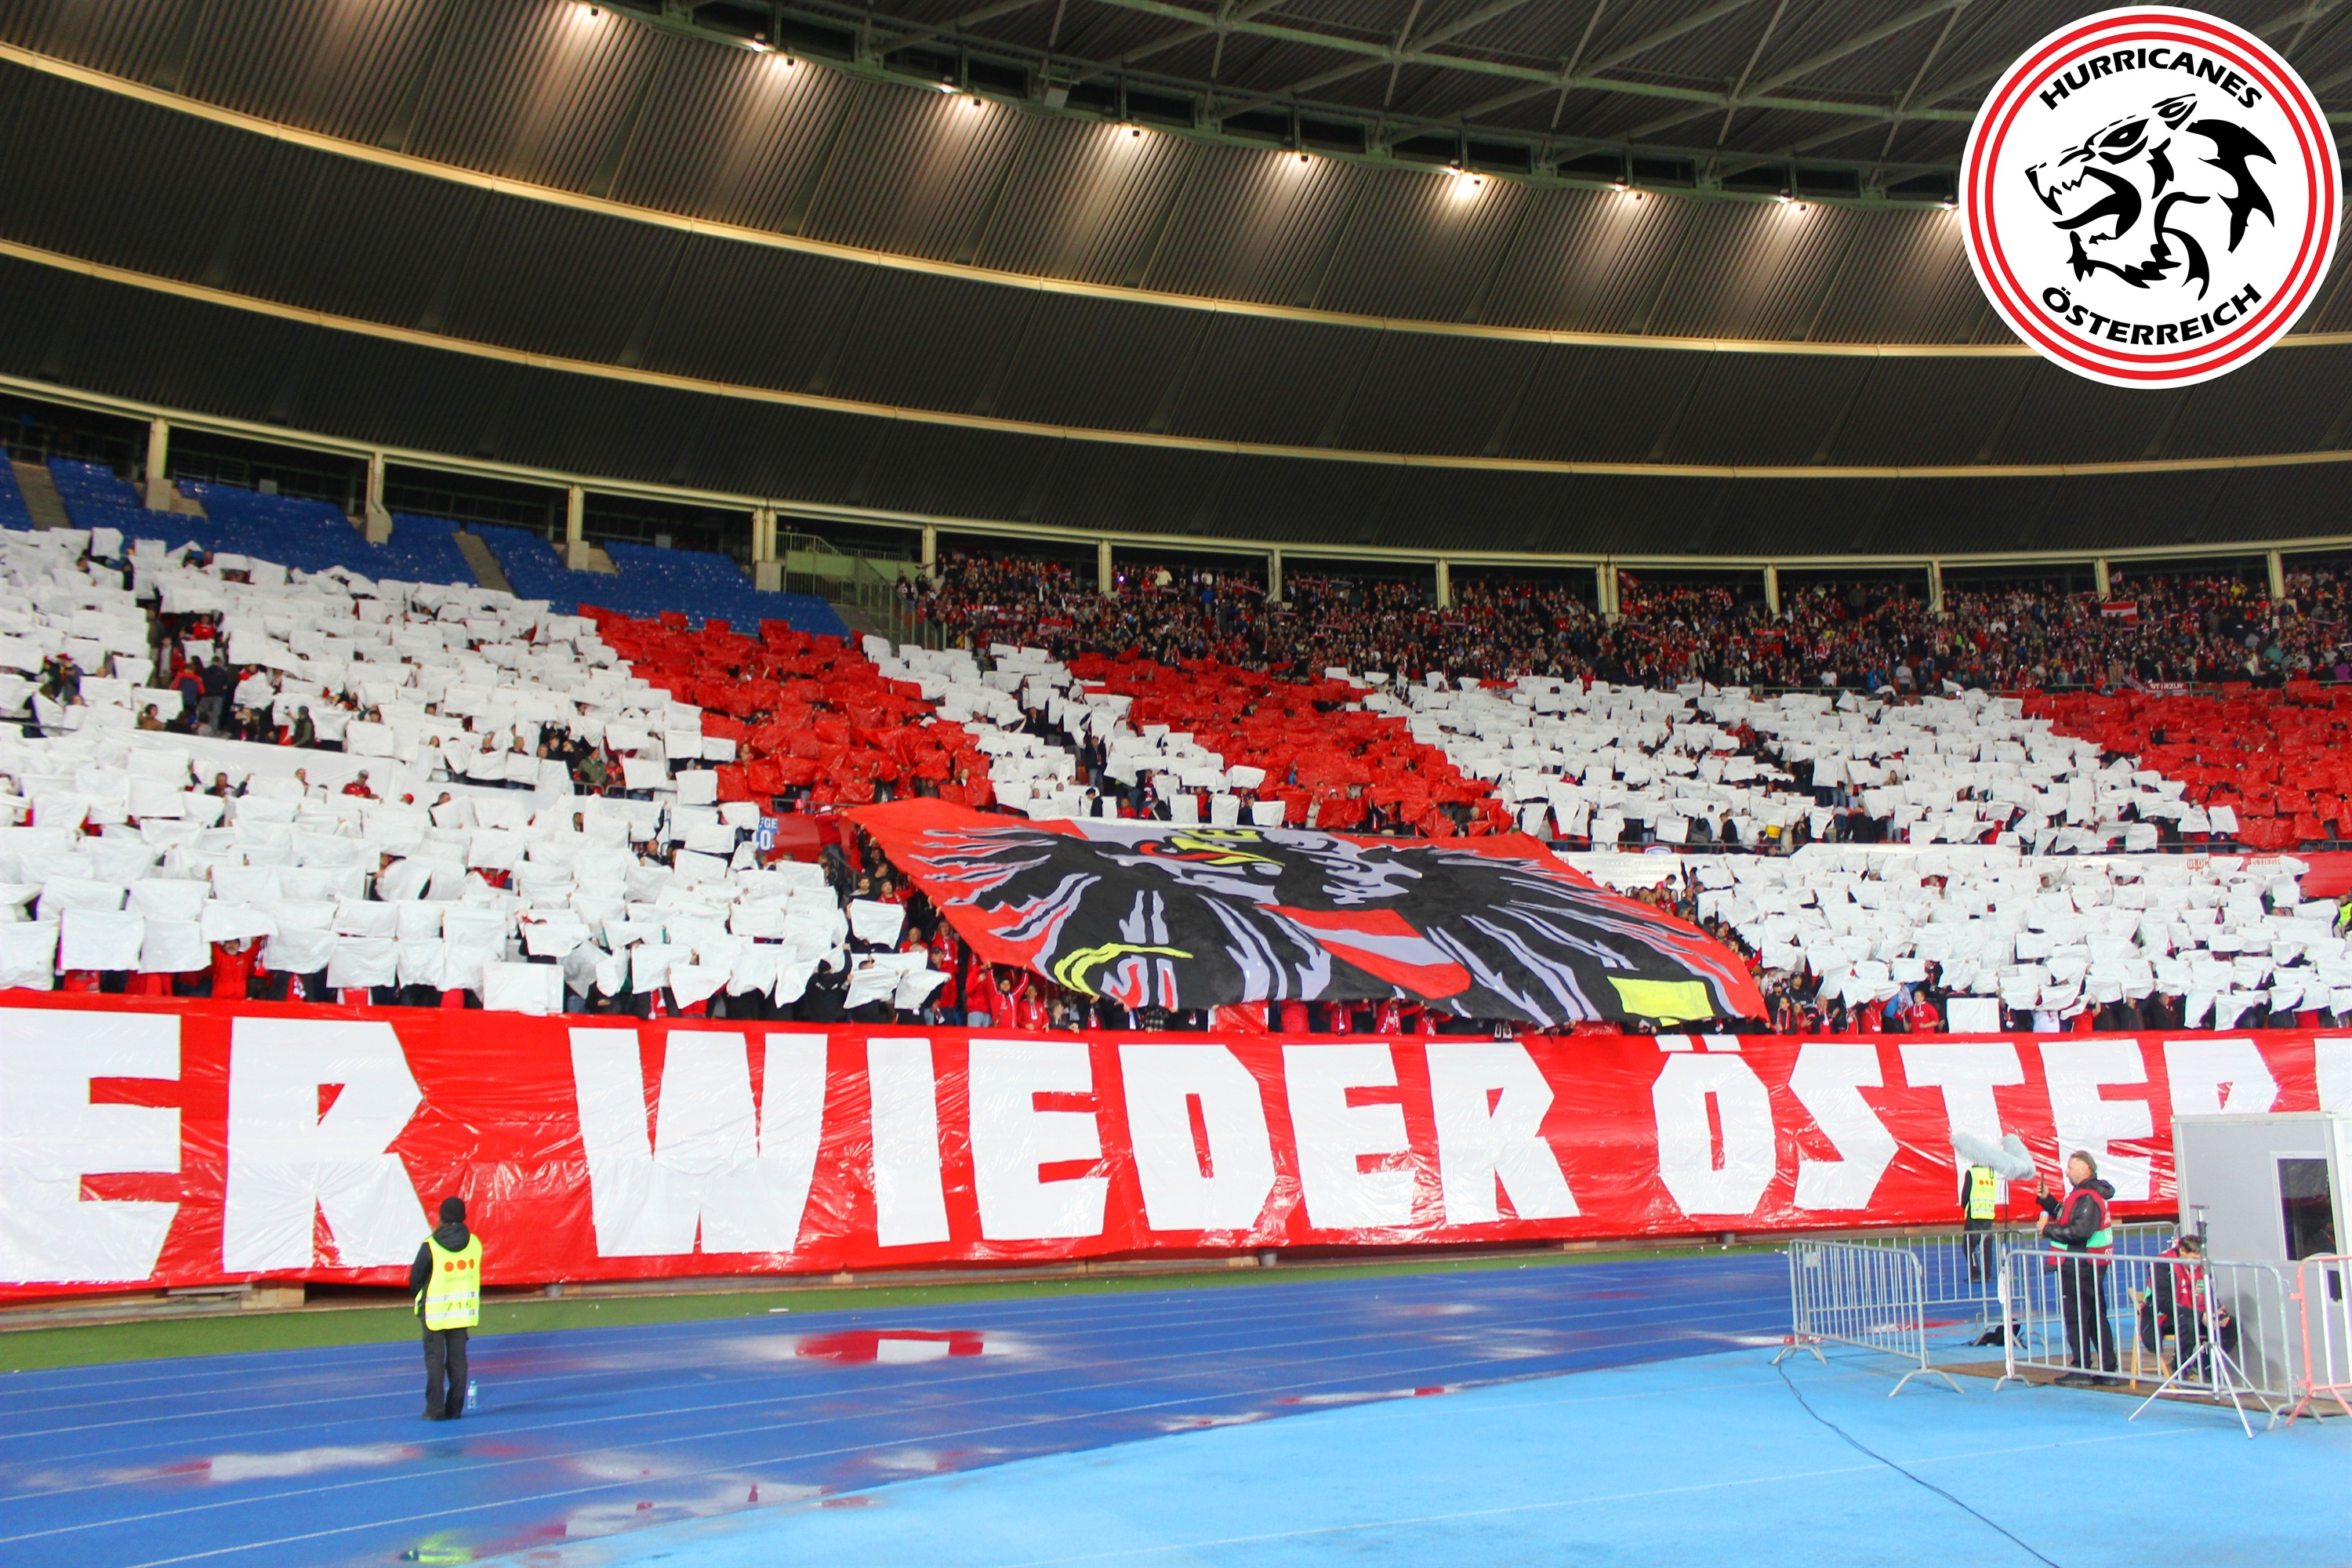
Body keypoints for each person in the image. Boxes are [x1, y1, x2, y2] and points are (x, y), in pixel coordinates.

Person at [2034, 1150, 2118, 1381]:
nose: (2067, 1172)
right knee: (2093, 1317)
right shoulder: (2086, 1194)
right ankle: (2107, 1369)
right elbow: (2067, 1216)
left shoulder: (2088, 1197)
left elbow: (2080, 1231)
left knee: (2079, 1317)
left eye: (2071, 1167)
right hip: (2087, 1262)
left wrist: (2047, 1230)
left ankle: (2083, 1368)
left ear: (2083, 1169)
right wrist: (2048, 1200)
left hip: (2080, 1264)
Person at [409, 1196, 481, 1421]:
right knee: (458, 1361)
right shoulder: (474, 1244)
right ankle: (455, 1409)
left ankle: (435, 1410)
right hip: (462, 1312)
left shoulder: (431, 1245)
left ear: (442, 1217)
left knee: (435, 1361)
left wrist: (420, 1296)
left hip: (435, 1313)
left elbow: (416, 1278)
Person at [1961, 1155, 2005, 1283]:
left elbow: (1965, 1195)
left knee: (1969, 1246)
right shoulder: (1991, 1174)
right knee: (1986, 1245)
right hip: (1989, 1214)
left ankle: (1975, 1273)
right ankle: (1987, 1274)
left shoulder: (1972, 1173)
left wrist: (1967, 1207)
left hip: (1975, 1214)